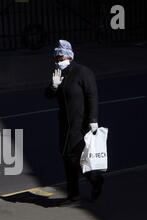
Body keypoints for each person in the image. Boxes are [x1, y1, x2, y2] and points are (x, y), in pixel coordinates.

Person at [45, 40, 104, 204]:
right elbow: (47, 95)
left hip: (81, 124)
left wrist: (93, 119)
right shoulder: (59, 73)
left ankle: (93, 181)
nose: (57, 60)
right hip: (64, 123)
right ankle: (75, 193)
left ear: (69, 56)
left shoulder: (83, 73)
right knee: (67, 157)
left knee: (76, 159)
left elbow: (92, 97)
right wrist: (53, 86)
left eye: (60, 56)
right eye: (56, 57)